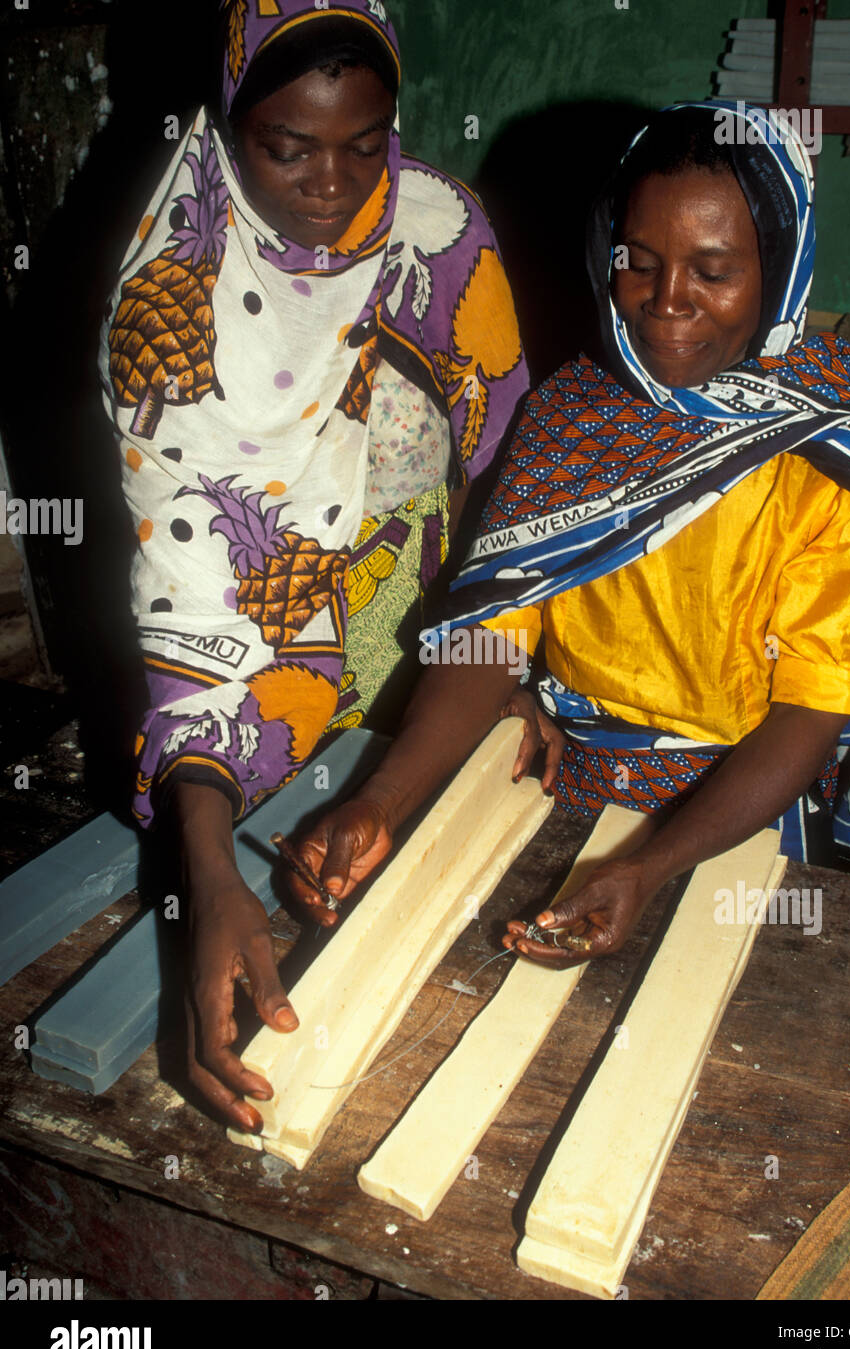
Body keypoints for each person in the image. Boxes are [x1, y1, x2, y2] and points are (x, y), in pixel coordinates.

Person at [294, 101, 850, 970]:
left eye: (712, 271)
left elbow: (810, 712)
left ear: (779, 272)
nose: (663, 303)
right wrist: (386, 796)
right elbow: (493, 634)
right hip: (569, 770)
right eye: (637, 262)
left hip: (742, 799)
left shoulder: (825, 456)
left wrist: (648, 863)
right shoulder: (573, 418)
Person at [99, 0, 528, 1130]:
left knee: (420, 913)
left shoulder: (440, 230)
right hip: (260, 634)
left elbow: (510, 486)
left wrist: (511, 665)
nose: (333, 183)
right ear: (233, 124)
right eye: (289, 147)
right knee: (267, 937)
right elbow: (190, 596)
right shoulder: (169, 301)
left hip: (438, 627)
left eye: (365, 140)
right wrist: (204, 871)